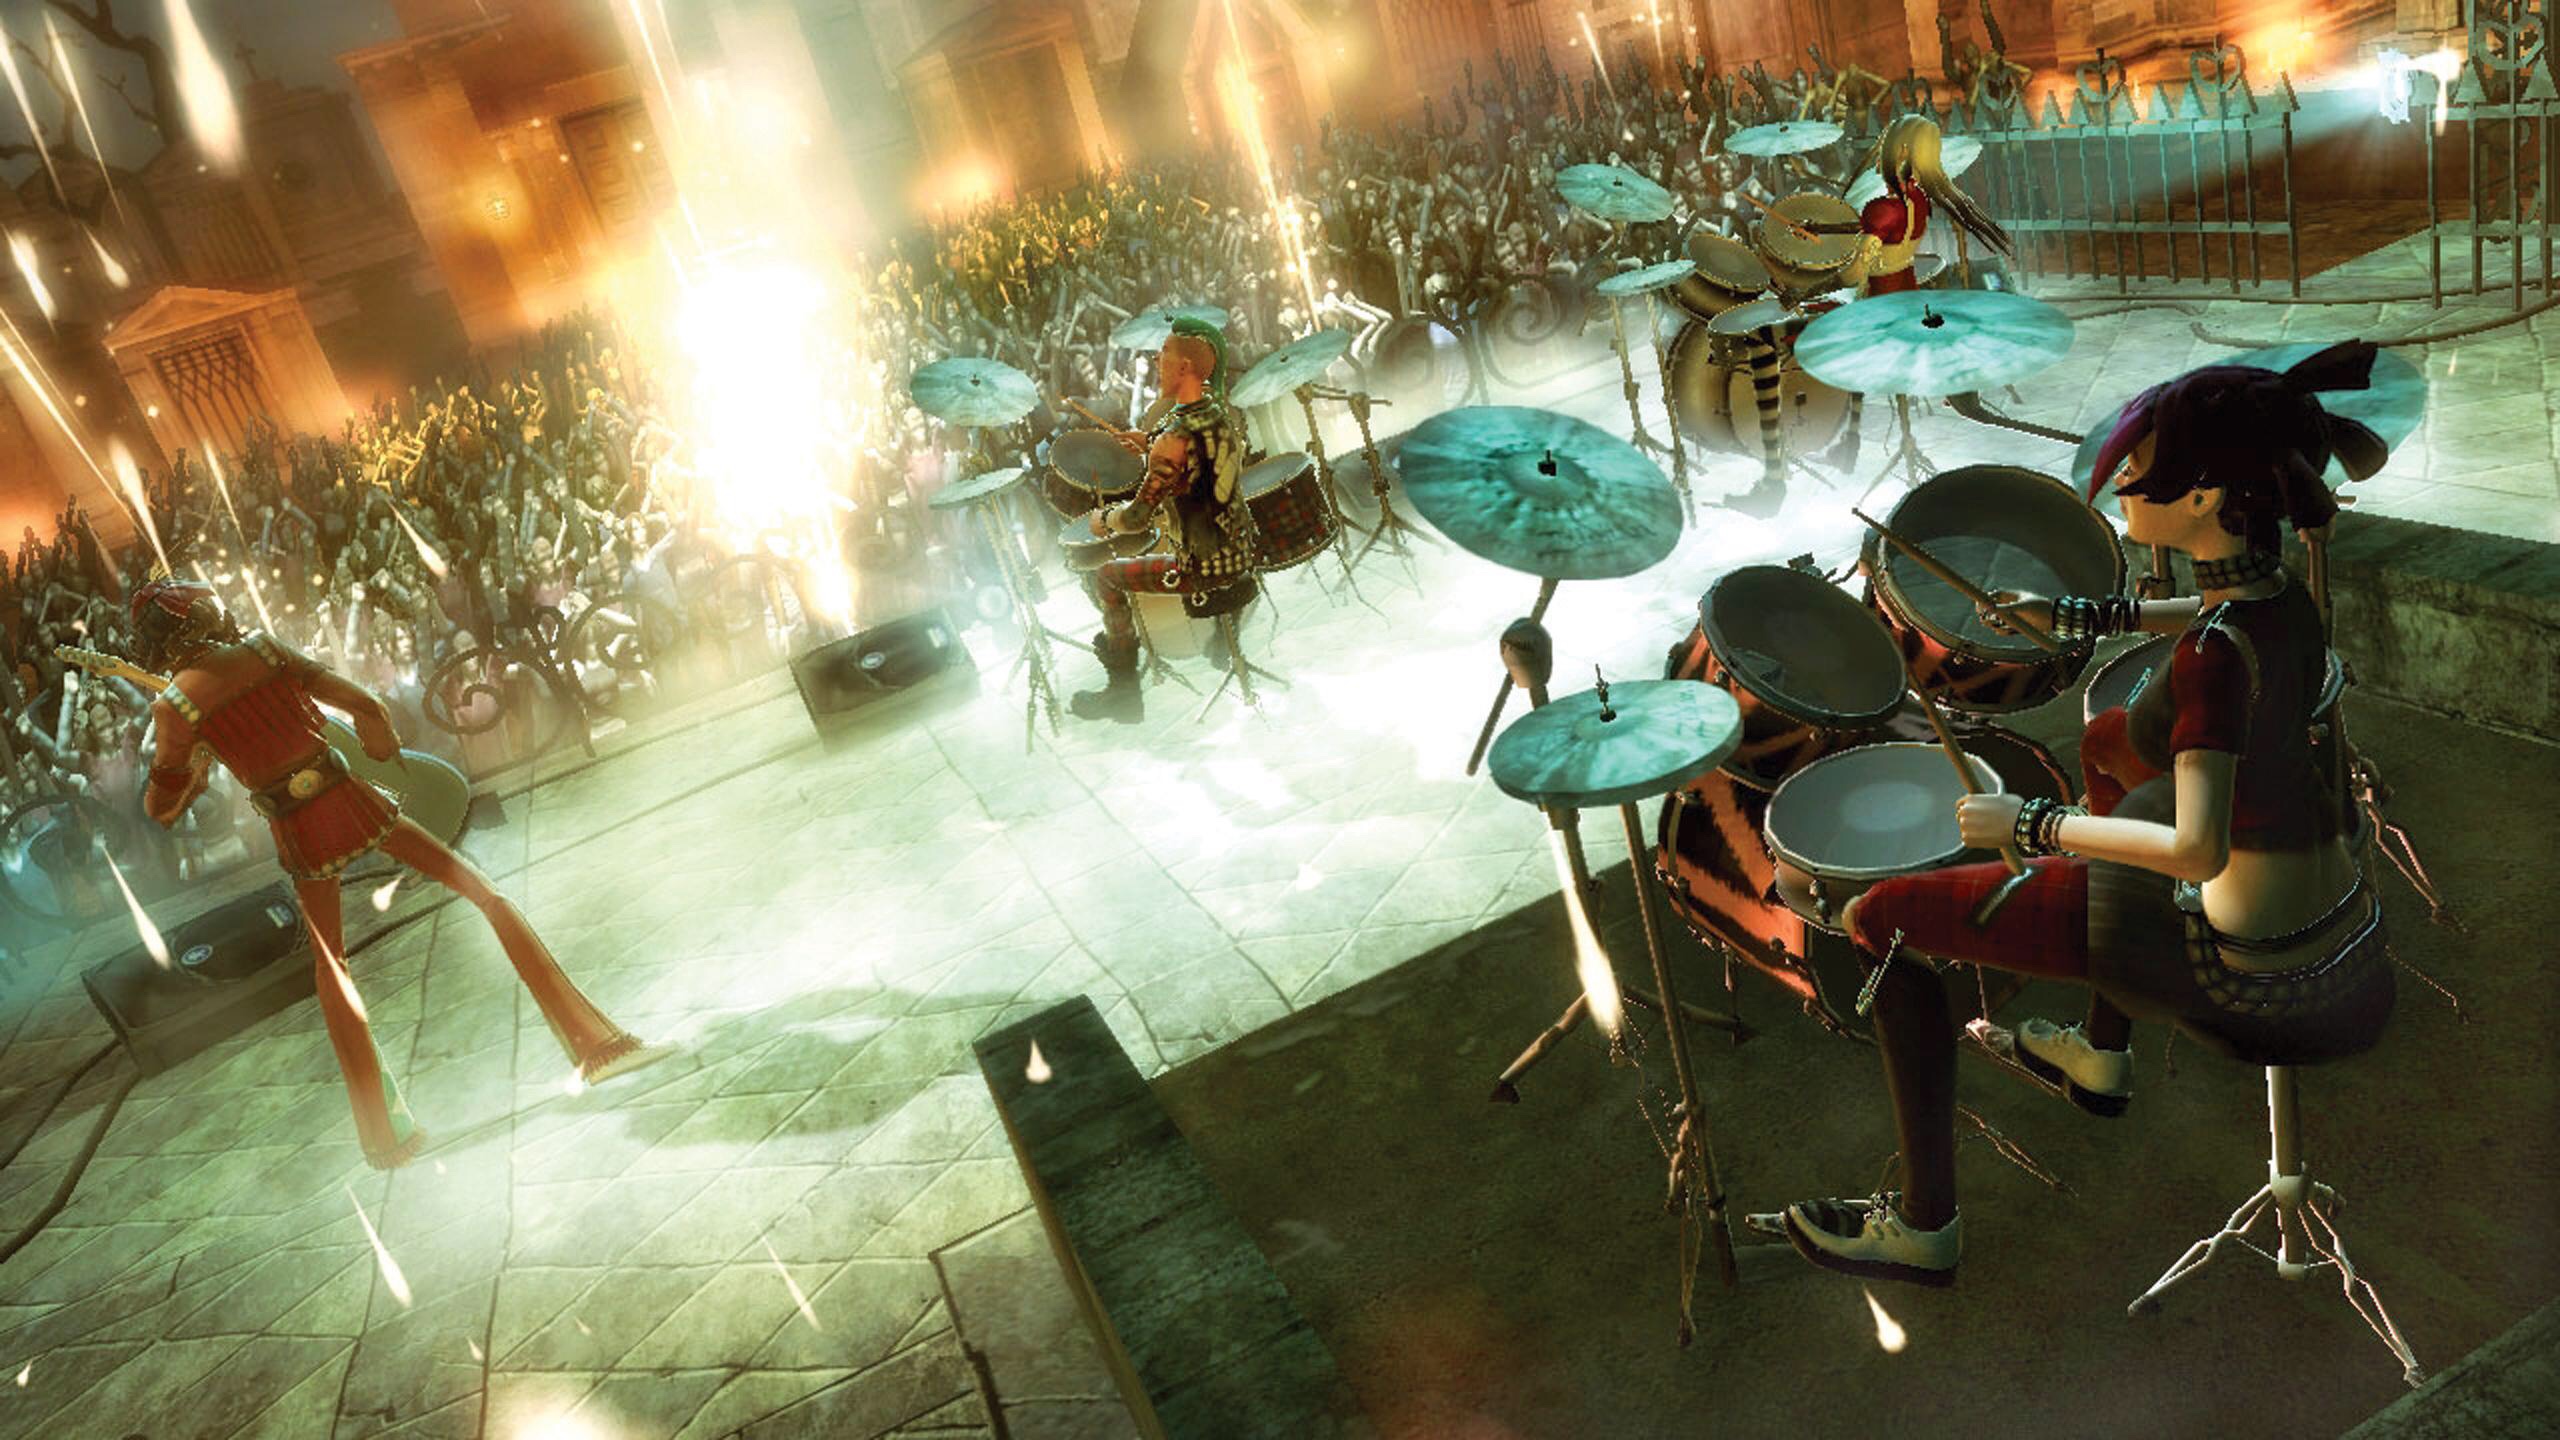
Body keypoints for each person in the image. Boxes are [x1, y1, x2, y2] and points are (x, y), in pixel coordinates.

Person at [1775, 341, 2395, 1287]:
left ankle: (1922, 1227)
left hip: (2242, 967)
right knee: (2109, 739)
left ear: (2201, 497)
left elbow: (2195, 849)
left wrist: (2030, 824)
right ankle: (2103, 1055)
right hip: (2334, 915)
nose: (2122, 491)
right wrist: (2079, 619)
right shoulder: (2278, 601)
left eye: (2138, 471)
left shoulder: (2213, 660)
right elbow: (2210, 617)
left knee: (1878, 916)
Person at [130, 577, 669, 1169]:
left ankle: (385, 1137)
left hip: (297, 829)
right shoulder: (263, 650)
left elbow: (162, 807)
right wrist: (381, 751)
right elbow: (367, 708)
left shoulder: (174, 706)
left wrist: (196, 762)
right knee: (482, 894)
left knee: (332, 966)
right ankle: (595, 1044)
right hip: (352, 796)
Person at [1067, 316, 1255, 723]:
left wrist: (1105, 519)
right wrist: (1149, 442)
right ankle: (1224, 641)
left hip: (1204, 567)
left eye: (1165, 354)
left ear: (1185, 367)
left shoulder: (1173, 440)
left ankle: (1124, 695)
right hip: (1240, 551)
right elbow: (1193, 452)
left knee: (1107, 576)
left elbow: (1137, 518)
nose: (1156, 361)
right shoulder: (1215, 413)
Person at [1808, 114, 2013, 296]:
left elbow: (1853, 274)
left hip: (1879, 304)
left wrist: (1813, 289)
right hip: (1906, 294)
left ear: (1902, 153)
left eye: (1885, 148)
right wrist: (1823, 228)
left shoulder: (1882, 209)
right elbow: (1885, 230)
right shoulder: (1918, 199)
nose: (1879, 156)